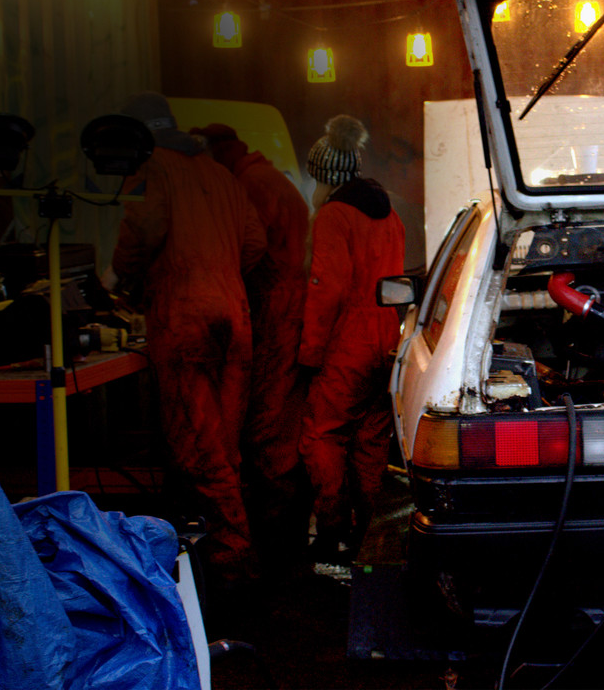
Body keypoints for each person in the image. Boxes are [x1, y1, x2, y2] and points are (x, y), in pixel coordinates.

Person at [109, 92, 267, 593]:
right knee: (224, 443)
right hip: (232, 317)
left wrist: (121, 279)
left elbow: (144, 228)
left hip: (185, 320)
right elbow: (254, 243)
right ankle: (221, 554)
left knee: (198, 446)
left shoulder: (153, 169)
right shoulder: (220, 173)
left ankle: (230, 565)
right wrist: (219, 277)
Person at [192, 123, 312, 579]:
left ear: (220, 152)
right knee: (280, 421)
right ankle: (286, 541)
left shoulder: (249, 184)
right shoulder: (267, 177)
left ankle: (278, 548)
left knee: (269, 429)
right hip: (284, 310)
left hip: (275, 312)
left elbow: (252, 247)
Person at [299, 114, 405, 561]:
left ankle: (331, 531)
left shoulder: (333, 217)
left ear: (324, 177)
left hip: (347, 343)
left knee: (322, 435)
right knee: (370, 441)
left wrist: (309, 352)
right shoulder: (390, 214)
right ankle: (370, 532)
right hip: (386, 339)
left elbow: (328, 290)